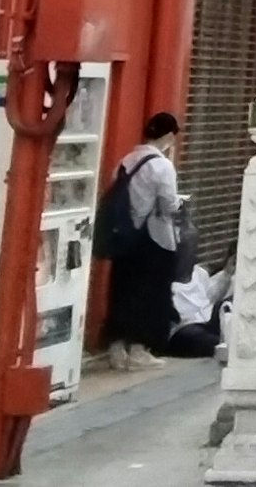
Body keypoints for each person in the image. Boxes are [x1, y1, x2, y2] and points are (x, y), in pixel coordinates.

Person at [99, 113, 189, 353]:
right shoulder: (162, 166)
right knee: (151, 295)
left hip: (125, 238)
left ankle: (117, 348)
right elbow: (168, 205)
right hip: (153, 241)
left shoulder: (126, 161)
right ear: (169, 136)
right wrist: (180, 204)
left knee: (122, 292)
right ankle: (140, 350)